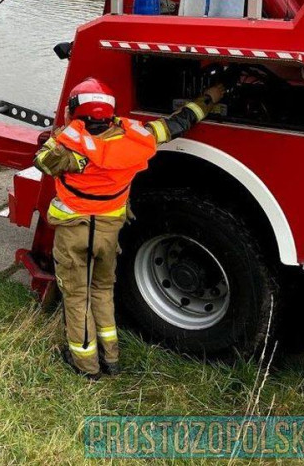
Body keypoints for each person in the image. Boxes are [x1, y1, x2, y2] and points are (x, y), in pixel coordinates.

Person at [33, 75, 228, 380]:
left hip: (75, 232)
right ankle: (111, 359)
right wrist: (211, 96)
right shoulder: (137, 139)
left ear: (75, 112)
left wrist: (68, 133)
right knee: (102, 290)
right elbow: (179, 122)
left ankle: (85, 365)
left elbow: (44, 161)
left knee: (76, 296)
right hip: (109, 233)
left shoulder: (70, 145)